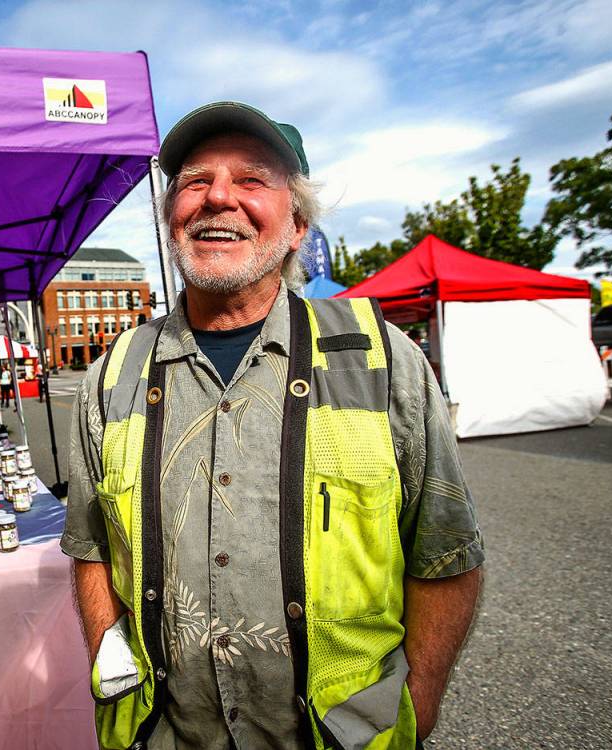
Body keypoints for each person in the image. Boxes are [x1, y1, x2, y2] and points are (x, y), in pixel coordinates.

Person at [63, 102, 484, 750]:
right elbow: (92, 549)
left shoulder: (379, 360)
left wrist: (416, 708)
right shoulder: (111, 377)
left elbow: (446, 554)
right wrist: (107, 661)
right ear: (171, 213)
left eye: (253, 179)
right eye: (195, 180)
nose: (218, 197)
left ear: (297, 226)